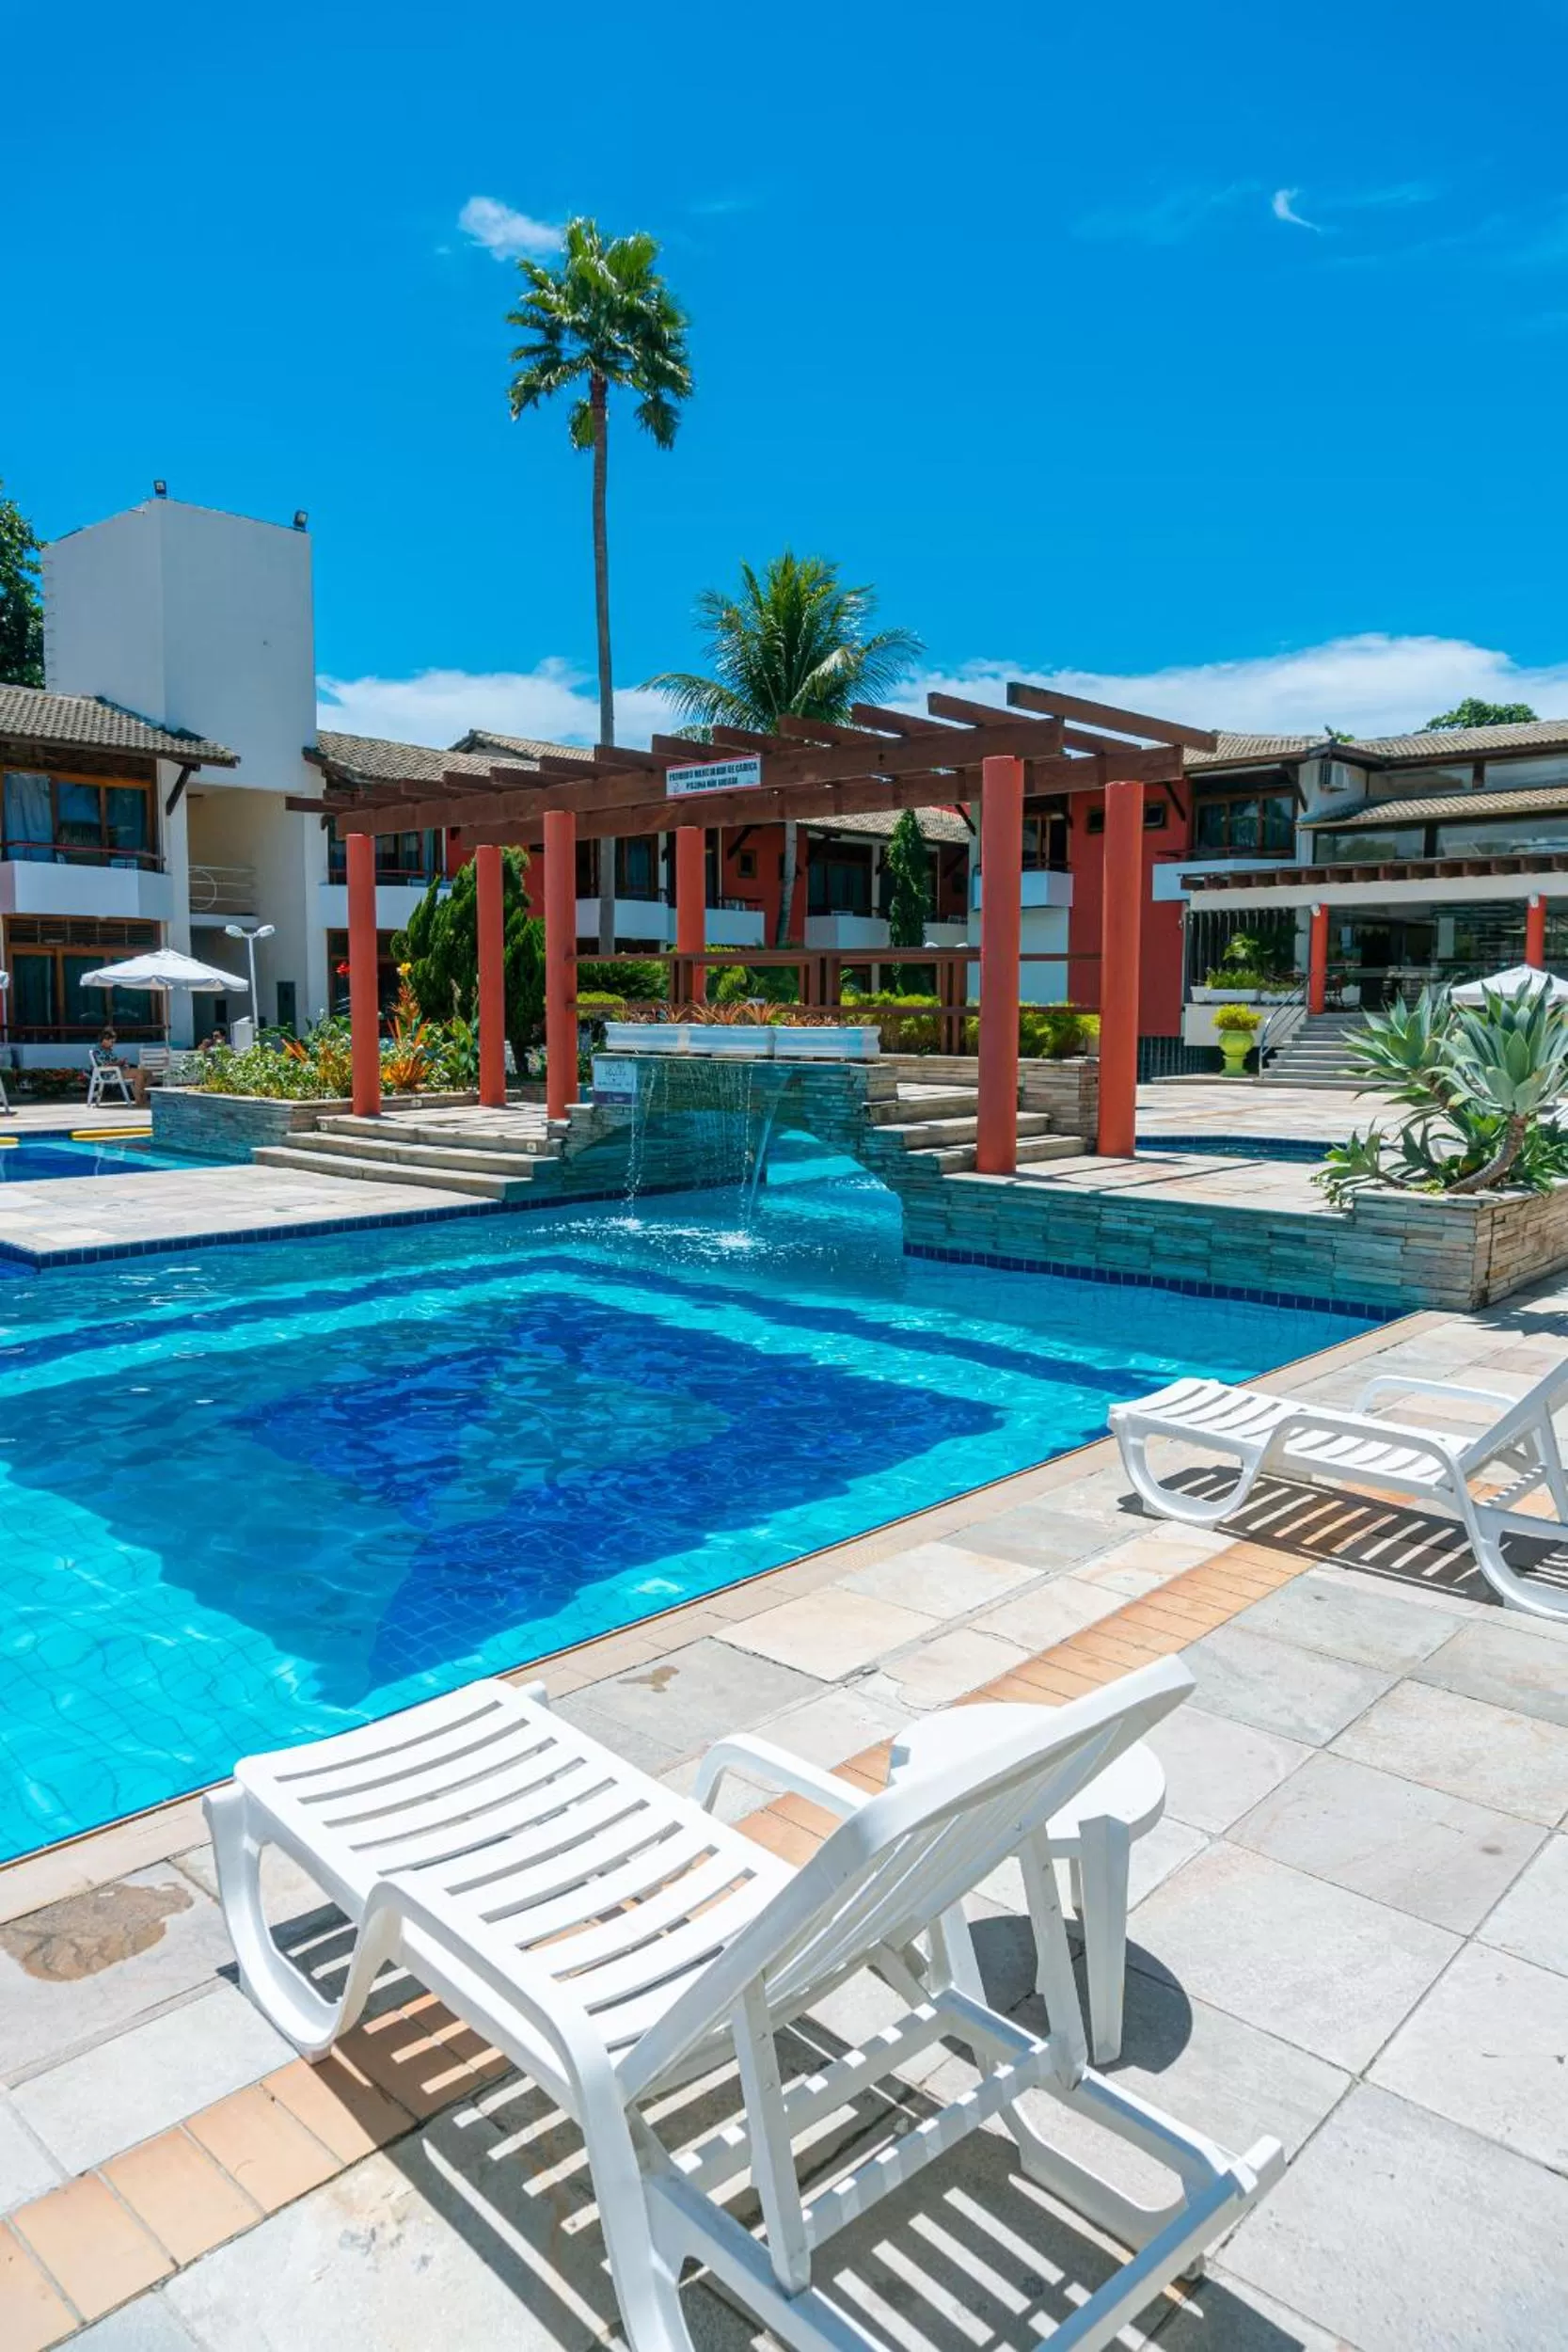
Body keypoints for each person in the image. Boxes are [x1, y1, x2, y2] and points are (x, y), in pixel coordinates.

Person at [94, 1026, 147, 1105]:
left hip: (117, 1071)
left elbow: (114, 1061)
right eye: (112, 1042)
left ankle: (141, 1099)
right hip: (110, 1074)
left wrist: (122, 1063)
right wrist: (118, 1063)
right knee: (140, 1074)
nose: (113, 1044)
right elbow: (105, 1065)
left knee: (145, 1074)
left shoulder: (108, 1050)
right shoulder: (98, 1051)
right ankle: (140, 1100)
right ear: (105, 1040)